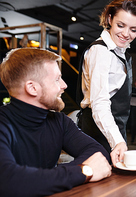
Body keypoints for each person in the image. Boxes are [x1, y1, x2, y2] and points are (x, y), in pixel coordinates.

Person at [0, 48, 112, 196]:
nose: (64, 85)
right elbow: (9, 181)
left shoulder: (59, 121)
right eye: (57, 79)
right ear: (32, 88)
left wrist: (45, 178)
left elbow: (98, 153)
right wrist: (84, 170)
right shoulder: (3, 123)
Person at [77, 0, 136, 166]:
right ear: (110, 19)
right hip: (98, 131)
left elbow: (112, 93)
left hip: (113, 129)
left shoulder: (120, 52)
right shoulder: (101, 52)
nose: (126, 34)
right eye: (121, 25)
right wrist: (117, 141)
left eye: (133, 29)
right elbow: (98, 103)